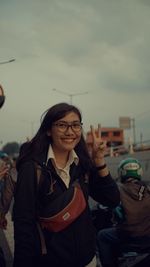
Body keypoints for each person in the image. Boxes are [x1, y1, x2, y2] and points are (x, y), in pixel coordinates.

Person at [13, 102, 120, 267]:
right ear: (48, 130)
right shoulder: (33, 168)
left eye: (76, 125)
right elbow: (23, 225)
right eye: (62, 125)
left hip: (87, 260)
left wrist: (99, 161)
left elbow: (112, 199)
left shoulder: (83, 165)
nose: (70, 132)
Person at [97, 157, 150, 267]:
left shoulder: (117, 190)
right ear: (139, 172)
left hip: (127, 235)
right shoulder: (147, 189)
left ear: (121, 172)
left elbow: (103, 205)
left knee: (102, 236)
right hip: (147, 236)